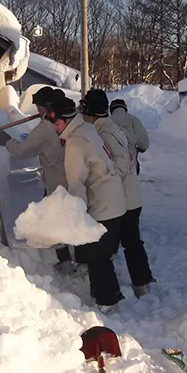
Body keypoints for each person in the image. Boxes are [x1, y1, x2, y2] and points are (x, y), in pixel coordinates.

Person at [46, 95, 127, 312]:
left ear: (65, 120)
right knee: (99, 254)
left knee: (97, 256)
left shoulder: (75, 143)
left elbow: (76, 183)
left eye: (56, 123)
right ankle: (105, 296)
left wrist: (76, 215)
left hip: (103, 204)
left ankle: (108, 302)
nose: (55, 128)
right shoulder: (86, 129)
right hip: (114, 200)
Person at [79, 90, 155, 297]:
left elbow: (119, 166)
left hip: (125, 199)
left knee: (123, 243)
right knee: (127, 242)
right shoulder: (108, 127)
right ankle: (141, 283)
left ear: (91, 113)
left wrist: (97, 175)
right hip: (127, 197)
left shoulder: (105, 133)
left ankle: (135, 285)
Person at [0, 86, 72, 267]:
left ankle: (64, 258)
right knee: (70, 214)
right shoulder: (68, 117)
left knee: (55, 217)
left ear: (48, 106)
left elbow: (22, 150)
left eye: (40, 107)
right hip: (73, 175)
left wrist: (6, 141)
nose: (37, 110)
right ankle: (70, 253)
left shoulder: (46, 127)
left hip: (57, 179)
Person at [110, 99, 150, 175]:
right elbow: (144, 143)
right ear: (125, 108)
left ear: (111, 109)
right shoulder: (134, 120)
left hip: (111, 170)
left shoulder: (108, 121)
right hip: (131, 168)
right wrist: (139, 149)